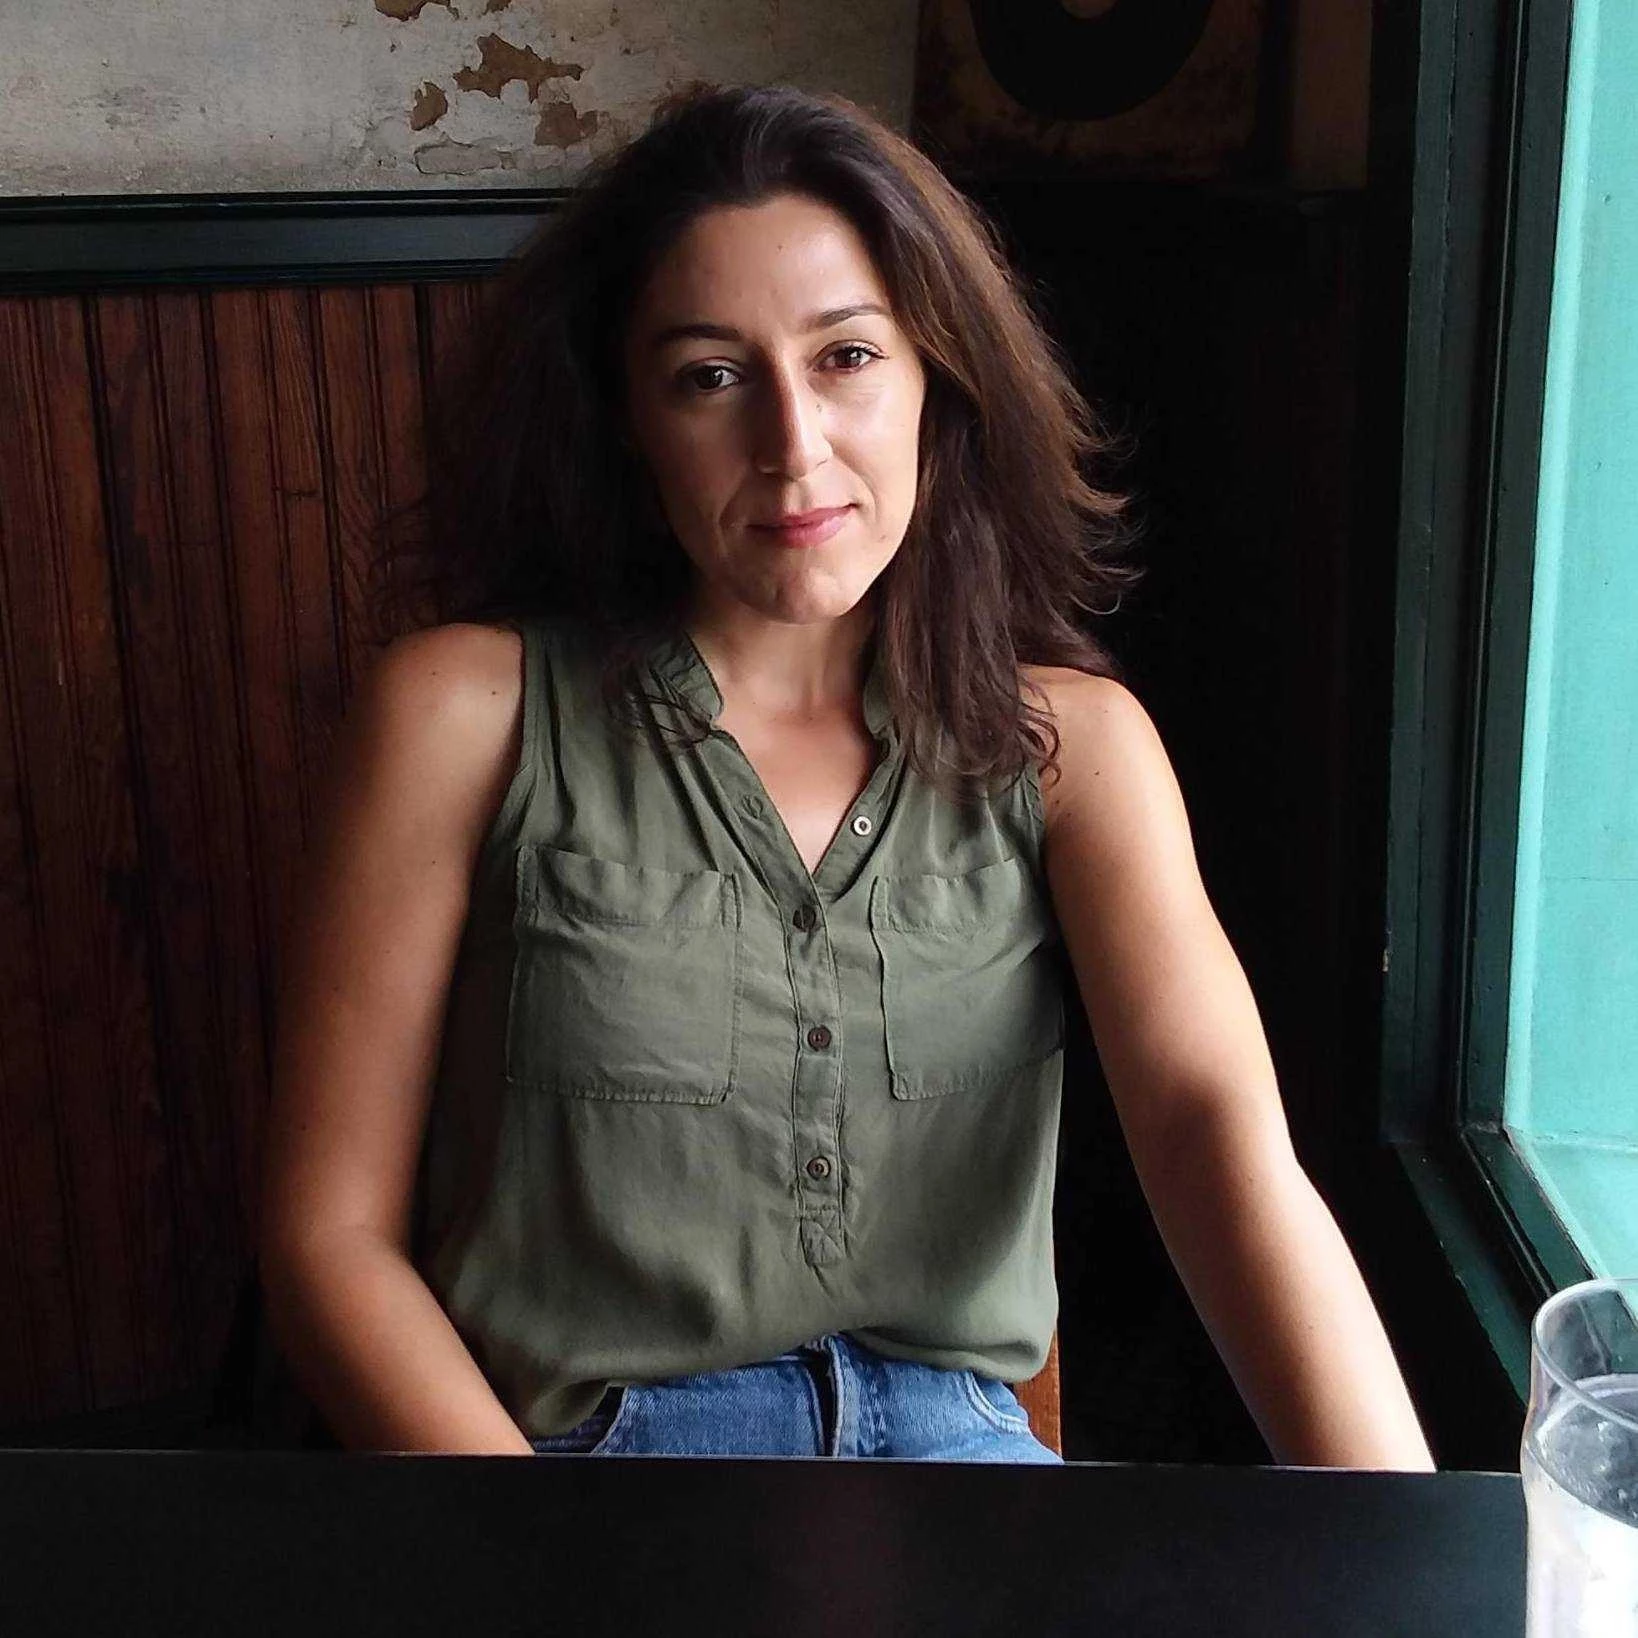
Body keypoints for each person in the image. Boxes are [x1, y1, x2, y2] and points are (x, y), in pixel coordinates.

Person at [255, 83, 1435, 1469]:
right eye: (710, 375)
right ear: (626, 417)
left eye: (847, 357)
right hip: (580, 1485)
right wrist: (532, 1556)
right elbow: (327, 1237)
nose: (794, 446)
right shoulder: (464, 713)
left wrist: (1409, 1537)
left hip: (961, 1470)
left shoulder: (1074, 748)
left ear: (938, 378)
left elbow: (1214, 1139)